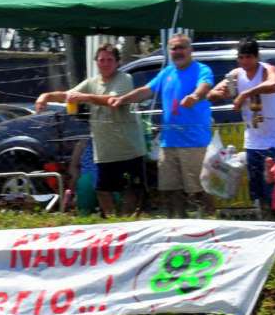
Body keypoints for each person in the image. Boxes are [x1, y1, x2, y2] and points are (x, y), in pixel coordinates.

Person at [109, 33, 214, 217]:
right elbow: (145, 91)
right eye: (174, 48)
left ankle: (210, 223)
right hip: (168, 143)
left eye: (182, 47)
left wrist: (195, 96)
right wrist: (122, 99)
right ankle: (177, 225)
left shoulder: (201, 69)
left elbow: (204, 86)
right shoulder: (167, 72)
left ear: (191, 50)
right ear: (169, 51)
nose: (178, 51)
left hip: (194, 143)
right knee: (169, 190)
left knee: (199, 190)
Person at [36, 42, 146, 216]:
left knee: (132, 189)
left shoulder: (124, 79)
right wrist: (46, 96)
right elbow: (69, 95)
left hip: (129, 149)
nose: (105, 63)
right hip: (104, 152)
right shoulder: (91, 82)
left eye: (109, 60)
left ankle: (126, 221)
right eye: (102, 60)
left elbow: (112, 101)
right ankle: (112, 221)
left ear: (117, 62)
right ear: (96, 62)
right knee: (102, 189)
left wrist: (84, 97)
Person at [208, 38, 275, 217]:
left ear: (257, 57)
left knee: (272, 185)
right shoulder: (236, 74)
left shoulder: (267, 70)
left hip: (274, 138)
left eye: (248, 57)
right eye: (241, 58)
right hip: (252, 138)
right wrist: (221, 93)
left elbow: (273, 84)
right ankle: (265, 219)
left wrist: (245, 94)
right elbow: (212, 94)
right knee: (257, 188)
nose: (244, 62)